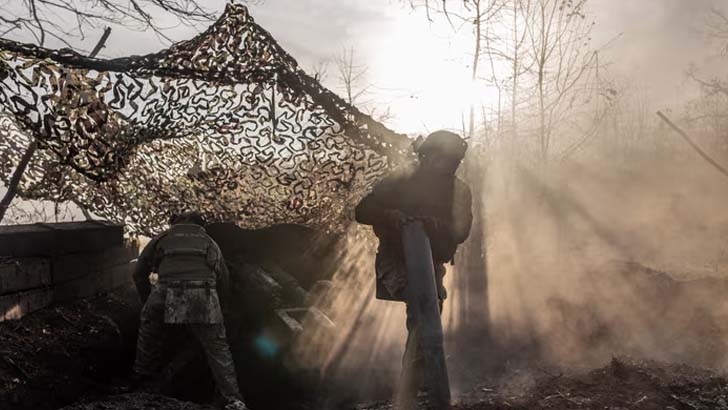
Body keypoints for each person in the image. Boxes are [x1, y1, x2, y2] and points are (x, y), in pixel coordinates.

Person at [355, 130, 473, 409]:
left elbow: (462, 230)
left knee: (428, 321)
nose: (446, 166)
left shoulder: (459, 190)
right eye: (441, 159)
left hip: (431, 263)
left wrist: (434, 225)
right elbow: (362, 210)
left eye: (452, 161)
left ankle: (416, 389)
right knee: (423, 319)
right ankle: (412, 393)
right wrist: (390, 216)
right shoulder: (402, 181)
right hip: (396, 260)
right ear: (427, 155)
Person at [132, 211, 249, 410]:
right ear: (200, 225)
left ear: (174, 222)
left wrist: (147, 302)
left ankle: (140, 382)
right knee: (217, 348)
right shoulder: (209, 242)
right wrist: (220, 306)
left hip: (165, 291)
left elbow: (138, 273)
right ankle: (233, 399)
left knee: (149, 334)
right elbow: (223, 279)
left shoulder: (163, 238)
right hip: (201, 293)